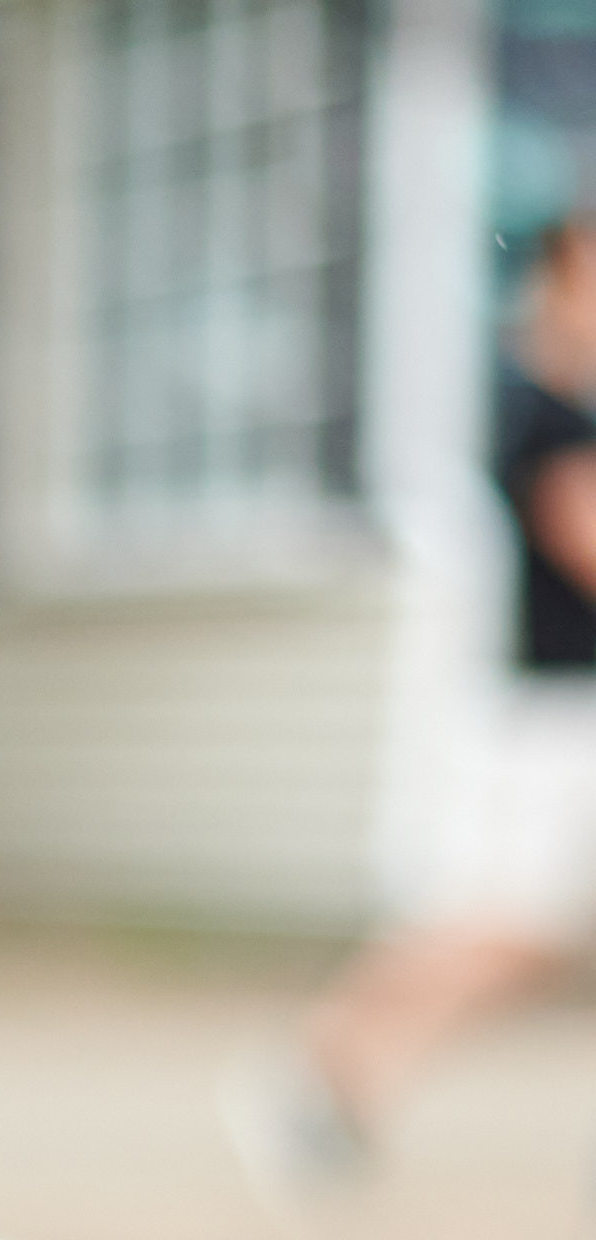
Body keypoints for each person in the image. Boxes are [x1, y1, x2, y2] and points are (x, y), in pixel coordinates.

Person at [231, 218, 596, 1190]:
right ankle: (326, 1061)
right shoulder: (542, 415)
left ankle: (328, 1064)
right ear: (558, 284)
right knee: (499, 926)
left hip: (558, 715)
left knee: (504, 928)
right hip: (553, 719)